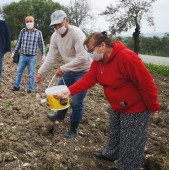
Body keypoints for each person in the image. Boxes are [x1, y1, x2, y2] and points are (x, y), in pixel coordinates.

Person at [56, 31, 160, 169]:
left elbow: (147, 83)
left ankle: (126, 166)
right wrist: (68, 91)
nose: (90, 54)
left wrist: (153, 107)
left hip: (135, 107)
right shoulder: (99, 62)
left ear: (102, 45)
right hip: (117, 104)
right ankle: (111, 154)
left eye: (91, 51)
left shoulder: (127, 57)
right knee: (115, 132)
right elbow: (88, 79)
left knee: (131, 140)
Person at [35, 10, 92, 138]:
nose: (57, 28)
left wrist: (63, 67)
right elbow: (50, 56)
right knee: (59, 93)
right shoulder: (55, 36)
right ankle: (60, 115)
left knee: (76, 101)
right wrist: (40, 72)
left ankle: (73, 129)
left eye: (59, 24)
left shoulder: (77, 34)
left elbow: (82, 58)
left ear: (66, 20)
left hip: (83, 70)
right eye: (54, 26)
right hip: (70, 70)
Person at [11, 16, 46, 93]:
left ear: (33, 22)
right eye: (27, 21)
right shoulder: (23, 31)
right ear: (25, 23)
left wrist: (43, 54)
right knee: (19, 72)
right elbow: (19, 42)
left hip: (32, 57)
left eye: (30, 21)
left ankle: (31, 89)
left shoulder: (38, 32)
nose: (29, 23)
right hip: (23, 56)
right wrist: (14, 52)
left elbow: (41, 44)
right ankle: (16, 86)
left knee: (31, 74)